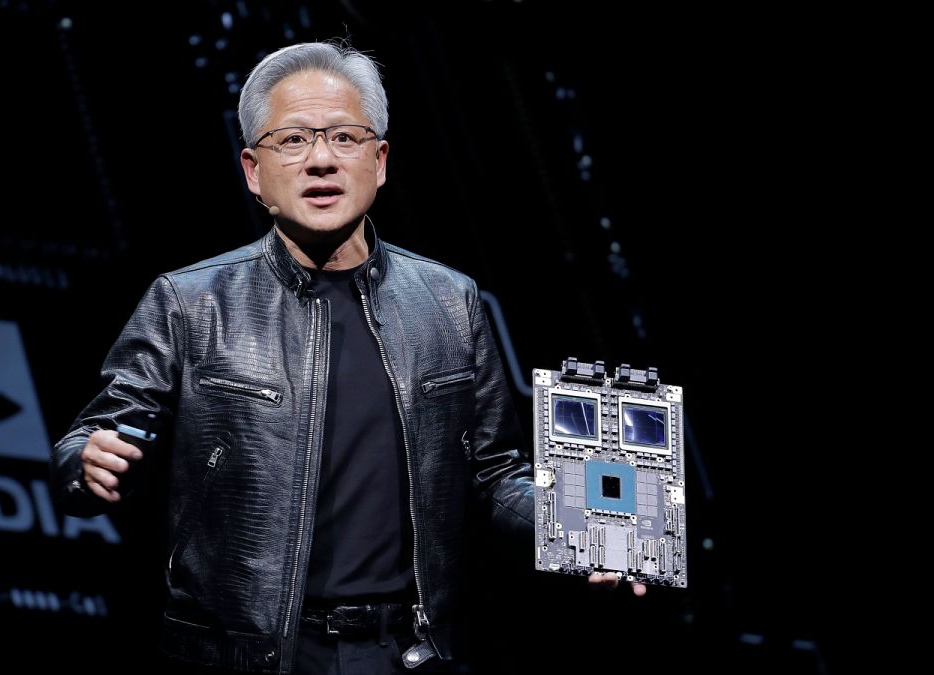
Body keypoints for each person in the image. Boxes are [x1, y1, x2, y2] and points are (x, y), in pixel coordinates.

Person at [51, 40, 645, 675]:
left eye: (344, 137)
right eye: (293, 141)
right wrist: (84, 462)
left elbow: (495, 474)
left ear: (380, 160)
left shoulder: (449, 302)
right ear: (253, 171)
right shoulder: (190, 303)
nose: (321, 160)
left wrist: (582, 530)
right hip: (244, 656)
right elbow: (93, 437)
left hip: (407, 654)